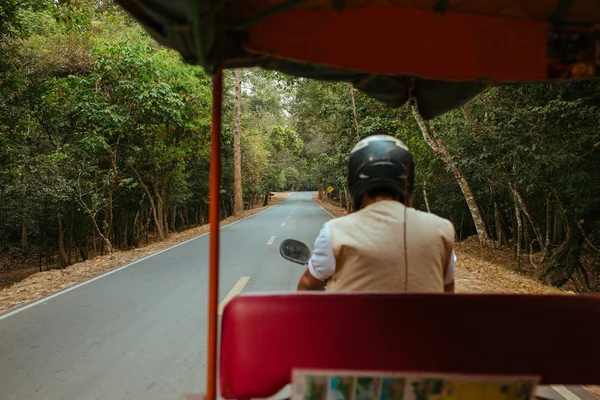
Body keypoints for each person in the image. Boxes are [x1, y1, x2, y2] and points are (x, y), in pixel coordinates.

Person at [297, 134, 456, 293]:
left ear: (353, 179)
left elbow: (308, 286)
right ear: (408, 179)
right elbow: (447, 289)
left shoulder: (334, 232)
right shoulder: (442, 230)